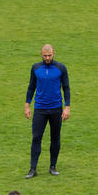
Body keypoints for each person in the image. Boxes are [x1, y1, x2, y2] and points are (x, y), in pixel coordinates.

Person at [24, 43, 71, 177]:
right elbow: (31, 87)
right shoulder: (35, 68)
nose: (47, 58)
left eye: (49, 55)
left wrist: (67, 107)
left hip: (56, 108)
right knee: (36, 138)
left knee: (55, 138)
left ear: (54, 53)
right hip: (40, 109)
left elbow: (66, 88)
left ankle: (53, 166)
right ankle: (33, 169)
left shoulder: (61, 68)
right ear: (41, 54)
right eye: (45, 56)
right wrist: (27, 105)